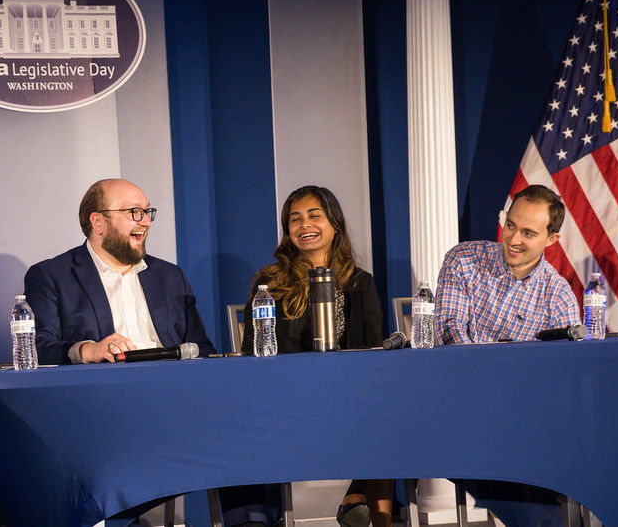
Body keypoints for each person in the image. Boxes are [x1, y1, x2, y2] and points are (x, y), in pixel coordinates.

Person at [227, 186, 389, 527]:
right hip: (288, 399)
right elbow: (251, 352)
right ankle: (352, 499)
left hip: (349, 399)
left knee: (385, 411)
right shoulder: (269, 283)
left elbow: (376, 355)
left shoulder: (362, 283)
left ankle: (377, 515)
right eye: (294, 219)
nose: (304, 225)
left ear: (334, 224)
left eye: (314, 215)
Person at [24, 178, 214, 365]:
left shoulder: (170, 276)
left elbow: (200, 348)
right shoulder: (52, 276)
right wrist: (90, 350)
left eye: (147, 211)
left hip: (173, 382)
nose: (146, 221)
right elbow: (36, 348)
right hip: (103, 387)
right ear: (98, 222)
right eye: (134, 212)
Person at [436, 184, 580, 344]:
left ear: (551, 239)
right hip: (460, 367)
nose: (513, 240)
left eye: (528, 233)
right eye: (510, 226)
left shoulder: (560, 298)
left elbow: (565, 360)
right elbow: (449, 328)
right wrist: (476, 365)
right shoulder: (464, 259)